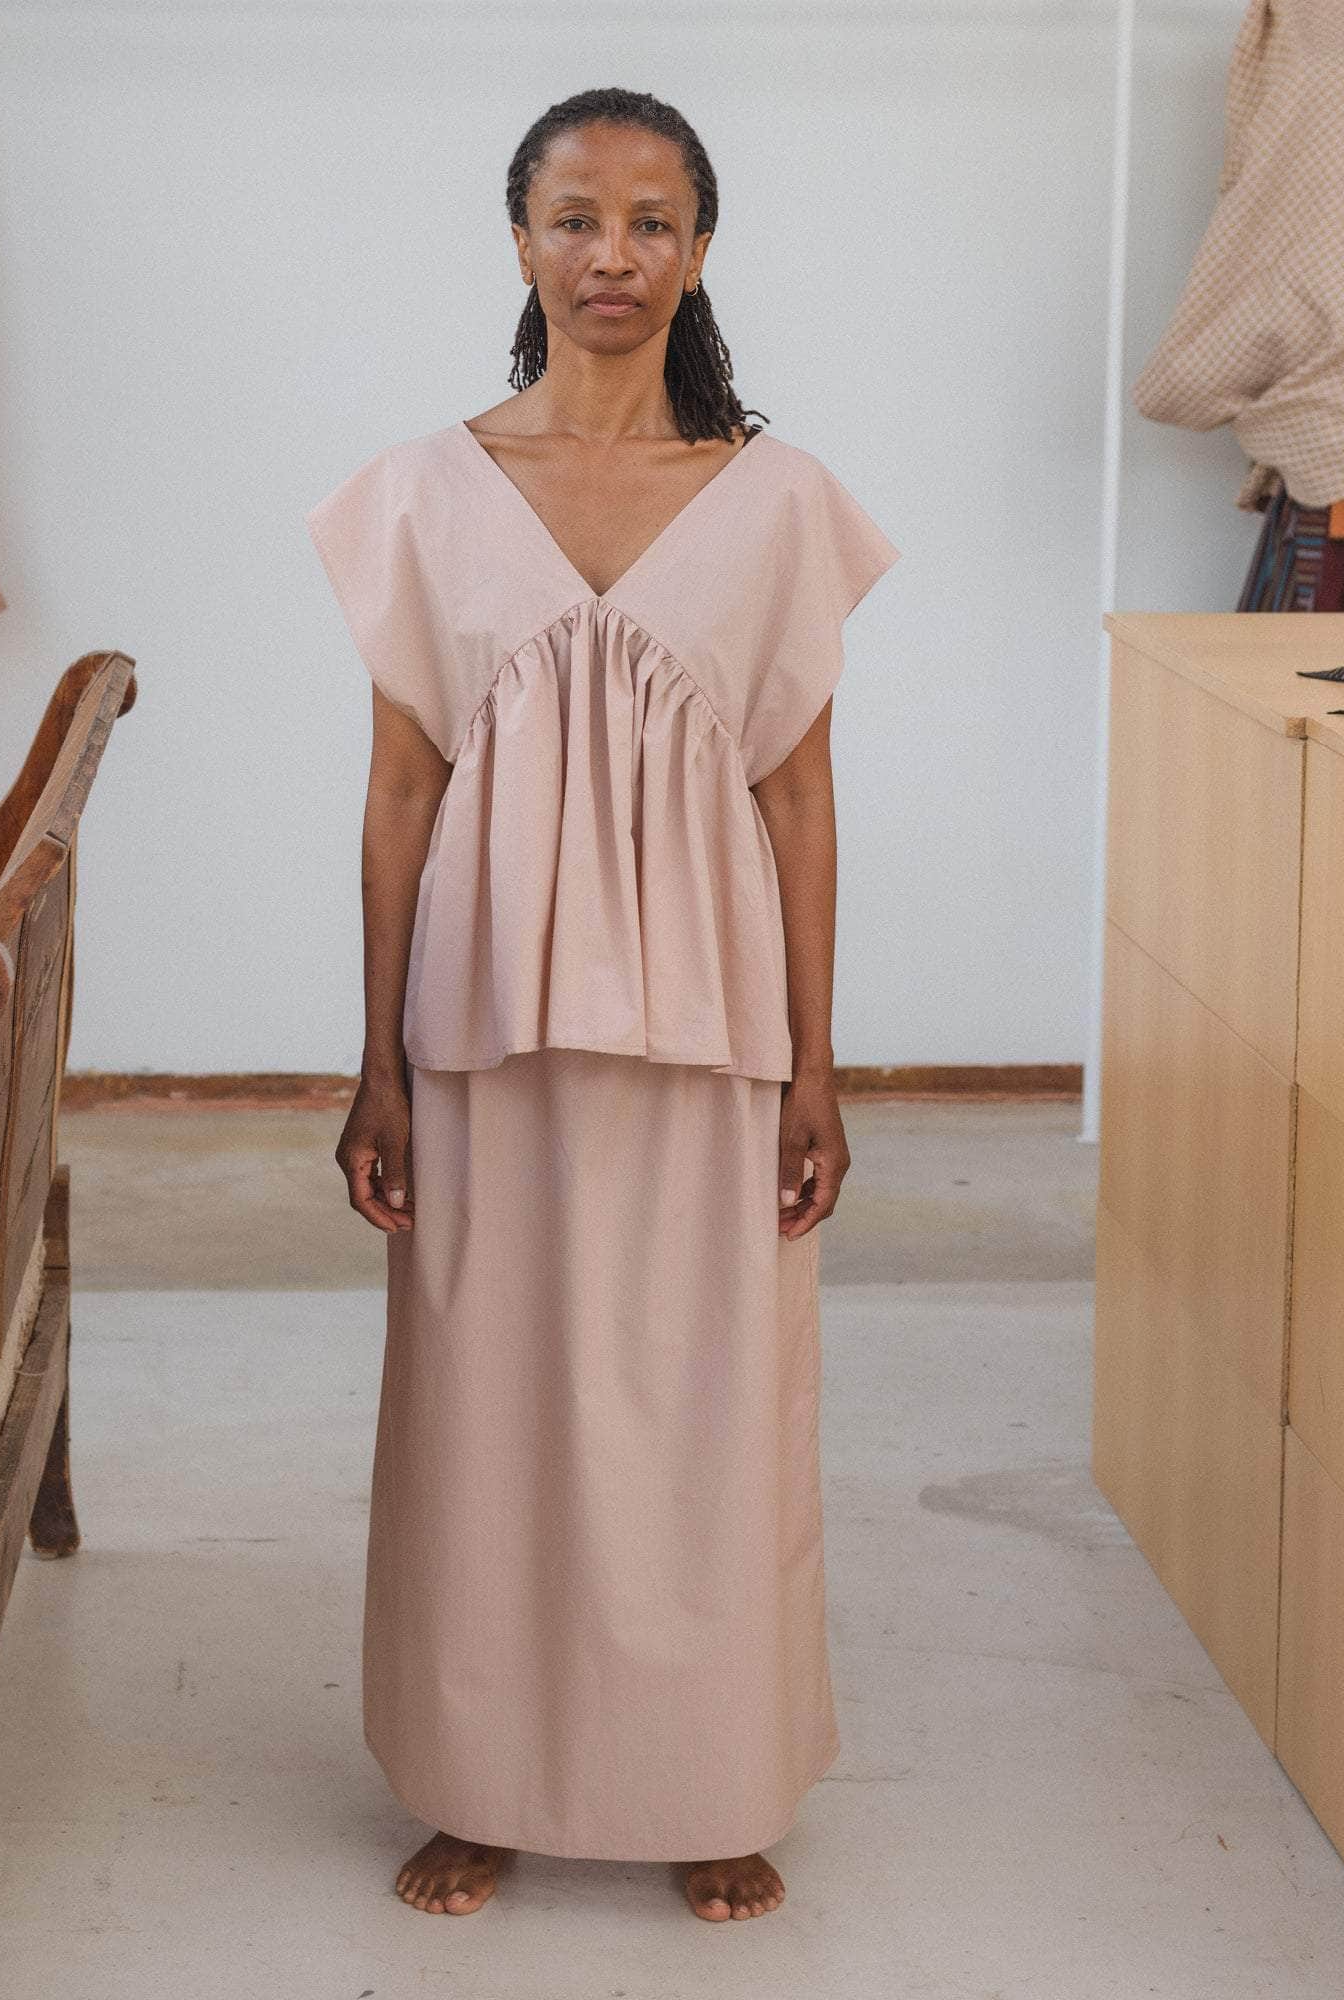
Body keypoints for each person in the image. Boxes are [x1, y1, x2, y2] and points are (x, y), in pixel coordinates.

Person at [305, 85, 900, 1925]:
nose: (611, 254)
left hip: (712, 1032)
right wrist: (376, 1063)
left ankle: (707, 1776)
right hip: (483, 1030)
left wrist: (817, 1063)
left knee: (712, 1408)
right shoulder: (424, 493)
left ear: (700, 252)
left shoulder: (779, 503)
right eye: (575, 217)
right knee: (483, 1411)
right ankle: (482, 1778)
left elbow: (799, 797)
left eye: (651, 221)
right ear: (520, 241)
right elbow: (399, 794)